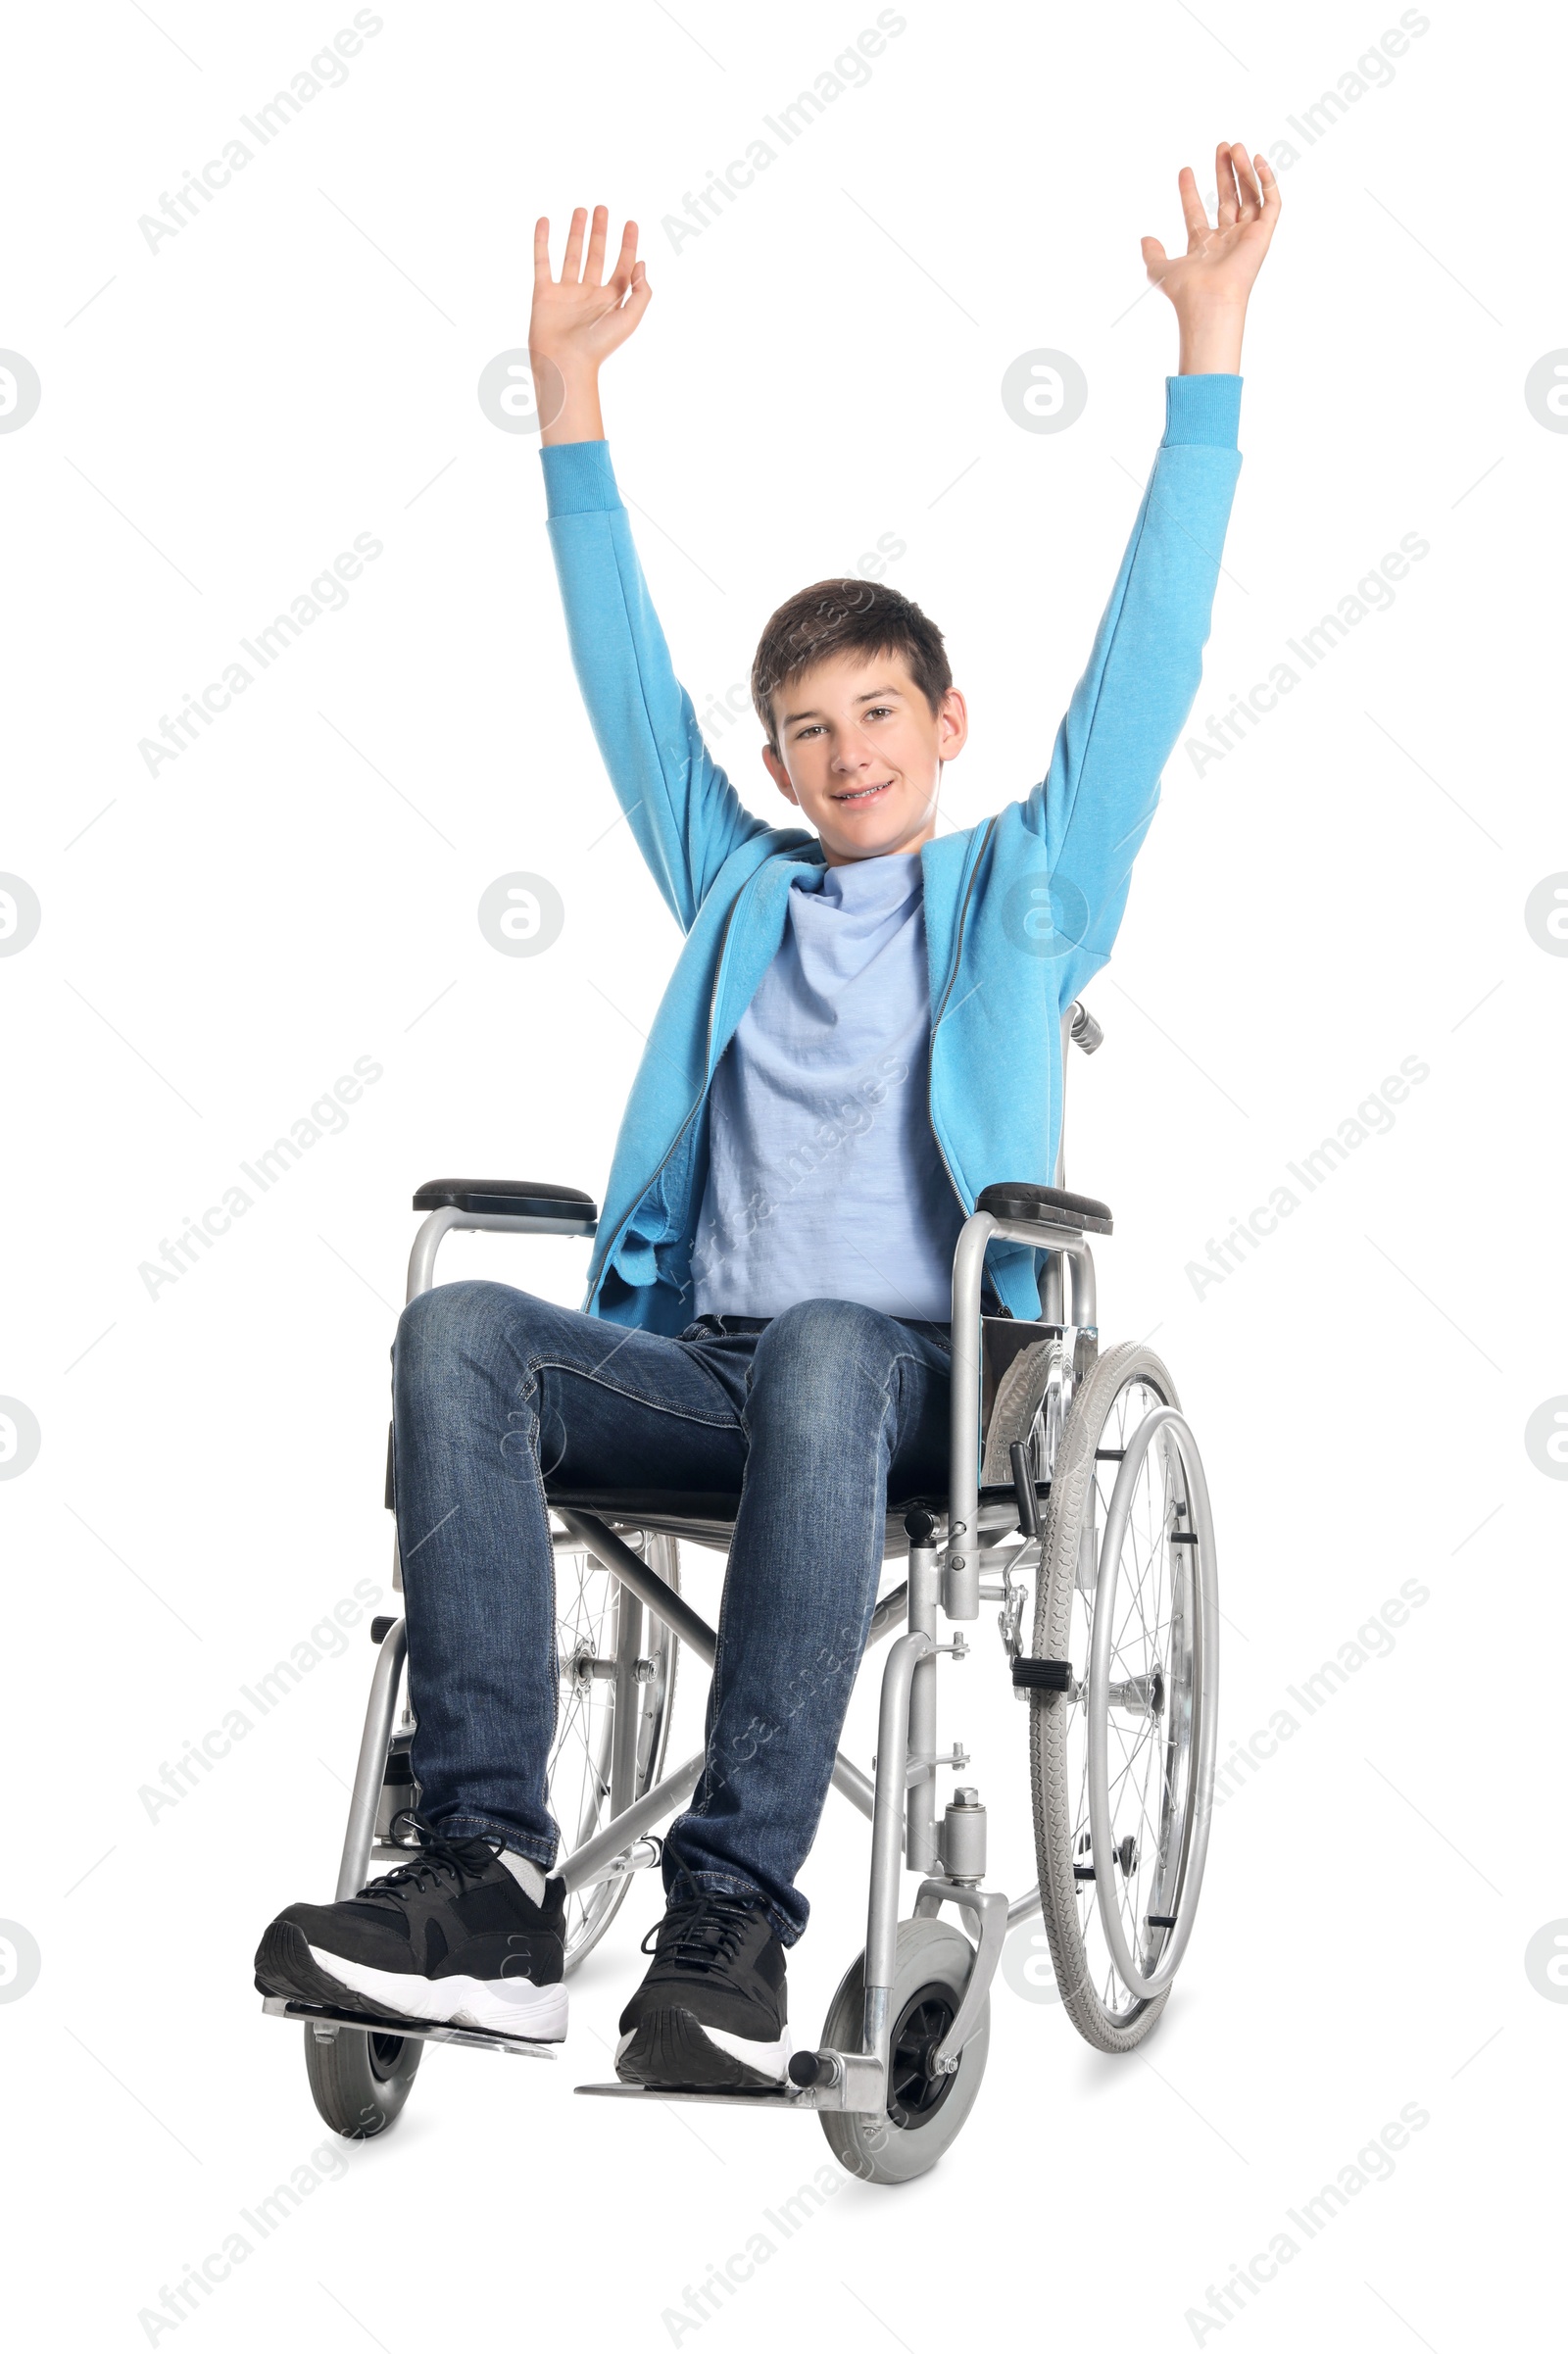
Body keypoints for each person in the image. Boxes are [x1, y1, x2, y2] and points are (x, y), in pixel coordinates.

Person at [256, 149, 1279, 2091]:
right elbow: (623, 685)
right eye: (806, 729)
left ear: (945, 723)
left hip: (926, 1374)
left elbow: (1145, 667)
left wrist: (1206, 353)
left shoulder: (1020, 887)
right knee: (459, 1319)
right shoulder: (735, 891)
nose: (845, 753)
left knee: (826, 1345)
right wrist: (569, 397)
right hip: (712, 1374)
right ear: (774, 759)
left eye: (878, 714)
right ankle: (480, 1869)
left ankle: (730, 1920)